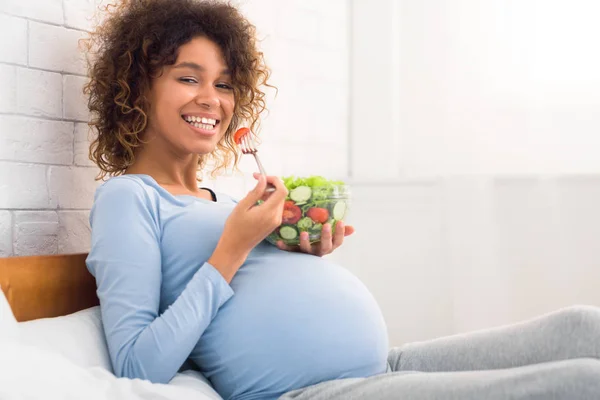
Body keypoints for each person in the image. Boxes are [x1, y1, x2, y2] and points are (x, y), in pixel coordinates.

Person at [83, 1, 600, 399]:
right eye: (187, 78)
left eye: (224, 83)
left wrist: (298, 250)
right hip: (318, 392)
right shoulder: (129, 200)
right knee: (580, 383)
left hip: (384, 365)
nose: (211, 99)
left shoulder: (221, 198)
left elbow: (252, 295)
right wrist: (234, 248)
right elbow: (137, 365)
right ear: (137, 88)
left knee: (583, 327)